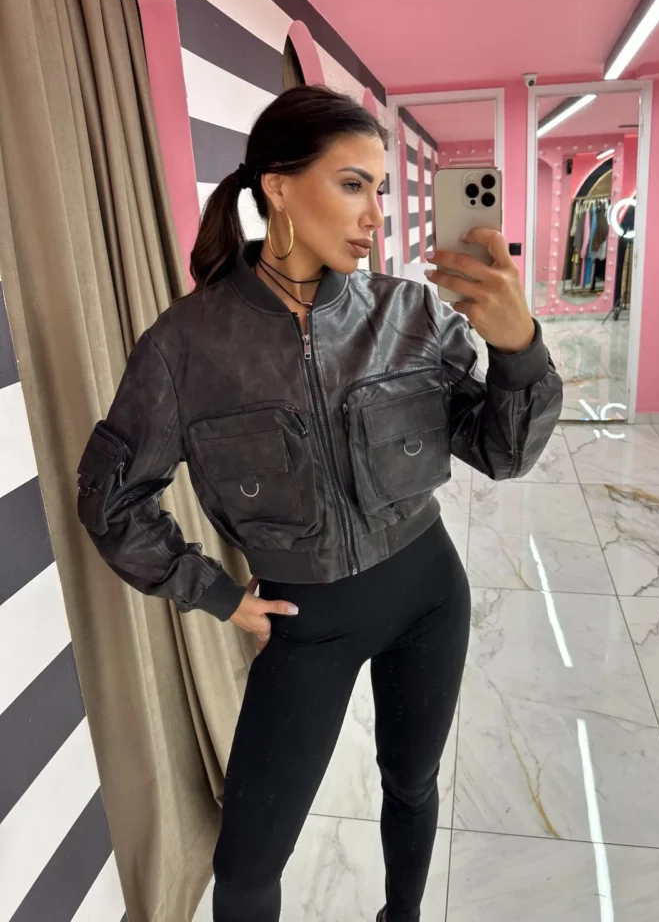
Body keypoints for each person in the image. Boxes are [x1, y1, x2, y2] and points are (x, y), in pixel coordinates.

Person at [76, 85, 563, 922]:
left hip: (428, 596)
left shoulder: (409, 312)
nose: (376, 213)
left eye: (381, 187)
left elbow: (503, 453)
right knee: (246, 867)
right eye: (352, 183)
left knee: (412, 784)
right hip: (307, 624)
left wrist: (518, 348)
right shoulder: (185, 347)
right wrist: (215, 593)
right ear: (277, 186)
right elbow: (111, 498)